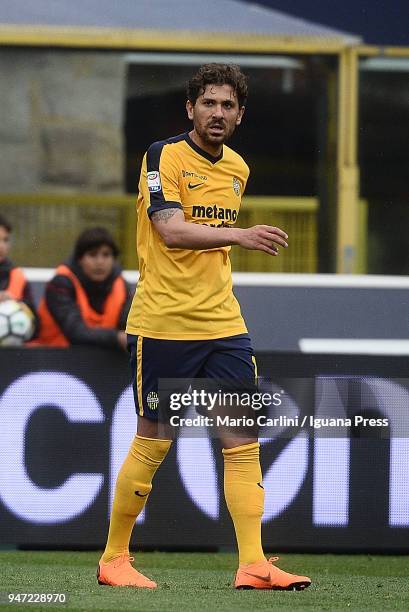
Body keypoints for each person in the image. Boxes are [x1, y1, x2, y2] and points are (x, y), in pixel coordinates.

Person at [98, 64, 311, 591]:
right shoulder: (163, 155)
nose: (218, 113)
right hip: (165, 323)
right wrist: (239, 236)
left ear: (240, 115)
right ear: (190, 109)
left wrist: (231, 238)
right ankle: (114, 559)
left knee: (242, 441)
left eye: (228, 106)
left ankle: (253, 564)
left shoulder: (238, 167)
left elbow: (206, 238)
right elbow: (169, 231)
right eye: (209, 103)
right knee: (155, 439)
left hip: (223, 324)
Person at [35, 227, 132, 349]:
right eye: (92, 255)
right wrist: (117, 338)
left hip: (103, 365)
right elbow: (75, 333)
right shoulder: (60, 285)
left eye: (106, 255)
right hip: (52, 361)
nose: (100, 262)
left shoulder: (122, 286)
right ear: (79, 259)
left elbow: (129, 327)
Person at [0, 213, 38, 334]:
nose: (1, 246)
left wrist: (18, 307)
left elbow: (36, 327)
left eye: (5, 240)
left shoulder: (17, 276)